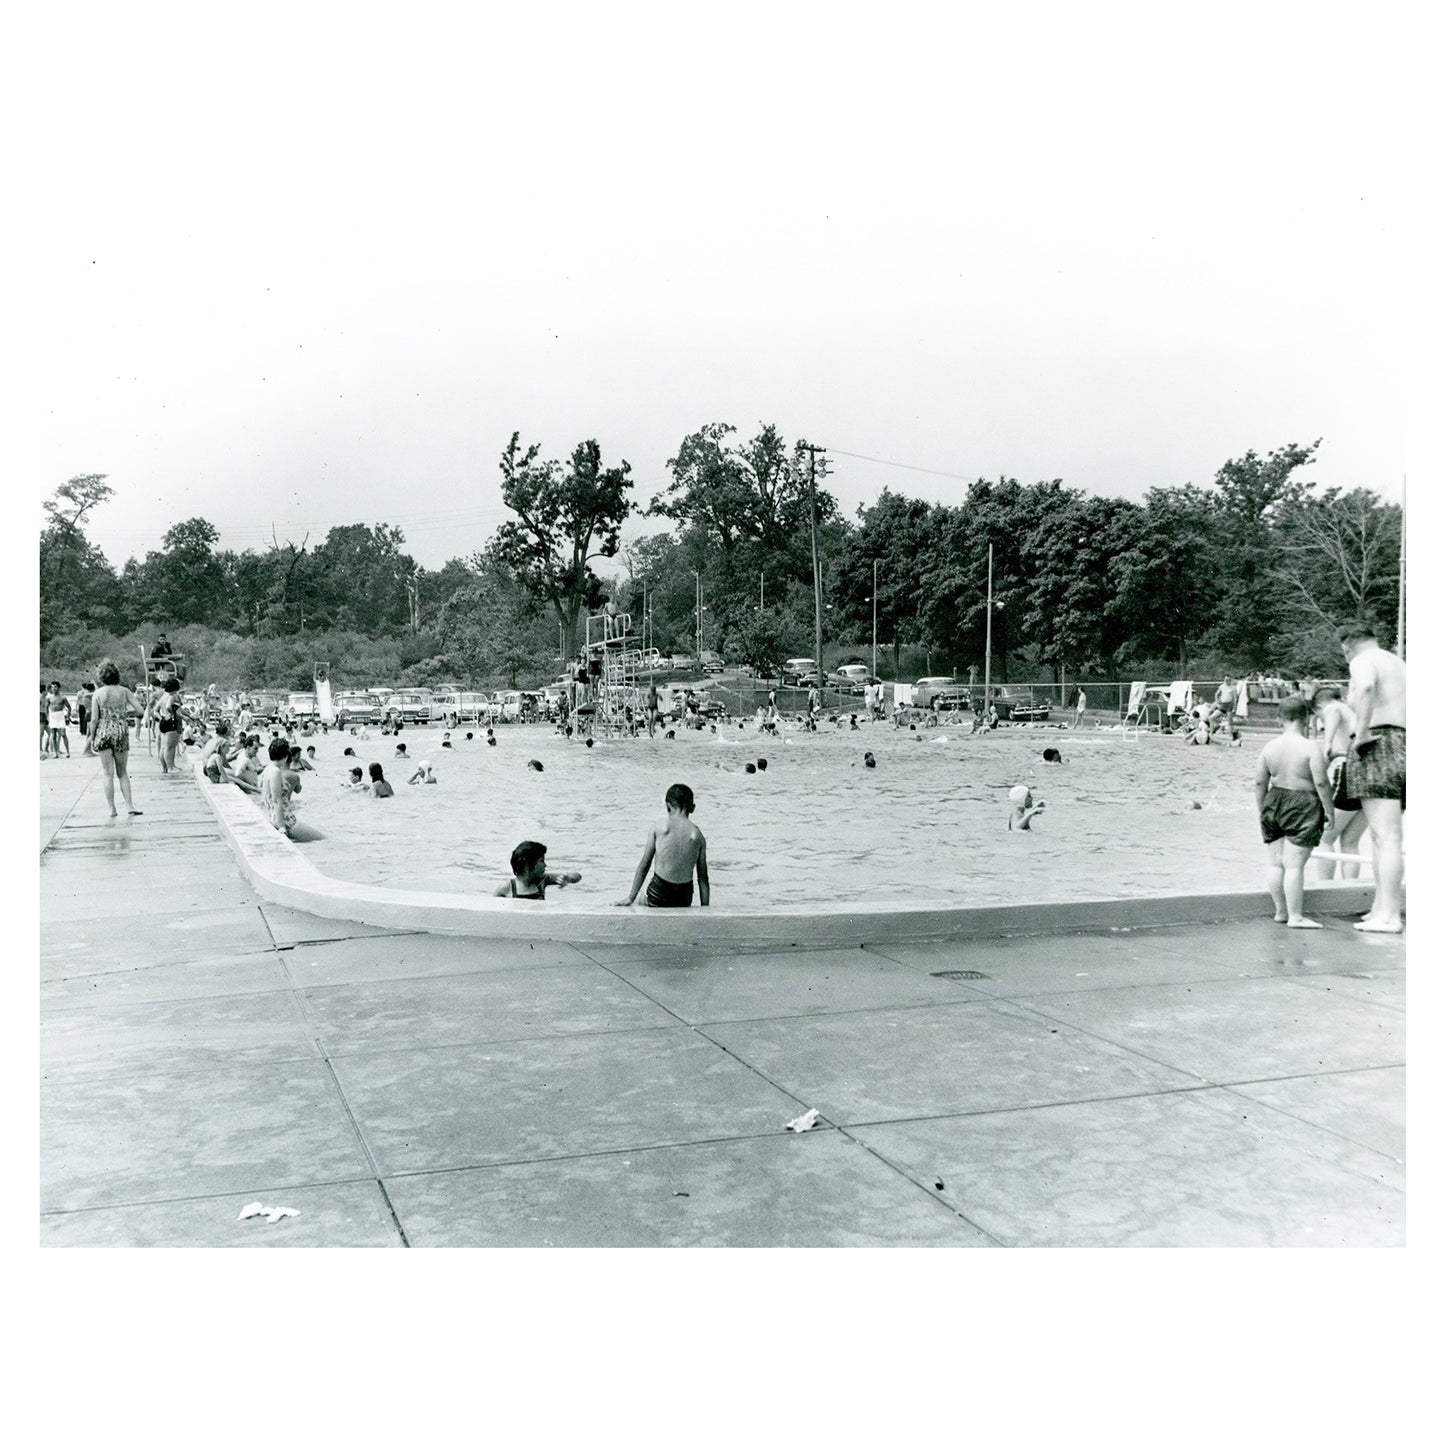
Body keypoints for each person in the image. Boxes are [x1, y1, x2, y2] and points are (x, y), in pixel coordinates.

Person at [1340, 622, 1406, 932]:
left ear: (1347, 646)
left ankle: (1390, 916)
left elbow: (1365, 687)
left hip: (1379, 743)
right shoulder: (1399, 664)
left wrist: (1362, 731)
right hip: (1405, 744)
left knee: (1387, 837)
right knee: (1383, 837)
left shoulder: (1362, 660)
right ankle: (1380, 908)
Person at [1255, 694, 1335, 928]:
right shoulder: (1310, 747)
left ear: (1279, 719)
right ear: (1307, 718)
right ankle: (1296, 916)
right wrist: (1329, 810)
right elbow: (1321, 783)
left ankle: (1281, 912)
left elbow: (1259, 783)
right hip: (1303, 804)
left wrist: (1262, 810)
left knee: (1275, 863)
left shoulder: (1269, 747)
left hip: (1274, 800)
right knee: (1294, 865)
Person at [616, 782, 710, 907]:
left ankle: (640, 900)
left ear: (667, 806)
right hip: (684, 897)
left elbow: (645, 864)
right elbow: (703, 878)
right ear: (692, 808)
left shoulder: (659, 827)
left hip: (659, 893)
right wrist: (705, 907)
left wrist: (630, 898)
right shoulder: (697, 835)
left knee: (641, 899)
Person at [1311, 684, 1369, 880]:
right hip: (1367, 774)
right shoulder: (1353, 712)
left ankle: (1325, 887)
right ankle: (1350, 887)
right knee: (1350, 841)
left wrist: (1327, 743)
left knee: (1324, 837)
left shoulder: (1332, 708)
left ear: (1319, 706)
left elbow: (1332, 711)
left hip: (1346, 771)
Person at [89, 660, 144, 817]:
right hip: (120, 731)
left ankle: (112, 809)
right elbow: (140, 711)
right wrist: (124, 714)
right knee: (123, 772)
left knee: (108, 773)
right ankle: (130, 805)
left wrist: (92, 738)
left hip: (103, 732)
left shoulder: (98, 694)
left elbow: (94, 719)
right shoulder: (124, 691)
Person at [260, 737, 323, 842]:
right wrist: (281, 826)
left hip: (275, 816)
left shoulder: (267, 769)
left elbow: (264, 794)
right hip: (287, 820)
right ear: (285, 755)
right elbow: (276, 800)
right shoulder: (276, 772)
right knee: (321, 839)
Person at [494, 840, 581, 900]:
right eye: (541, 861)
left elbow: (577, 876)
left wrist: (567, 878)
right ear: (529, 863)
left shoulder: (543, 880)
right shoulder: (507, 887)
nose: (545, 865)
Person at [154, 676, 185, 773]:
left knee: (164, 746)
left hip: (163, 721)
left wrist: (161, 718)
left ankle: (165, 767)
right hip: (171, 722)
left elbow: (155, 710)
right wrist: (171, 713)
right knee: (170, 747)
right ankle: (170, 767)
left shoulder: (164, 696)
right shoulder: (171, 697)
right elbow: (168, 706)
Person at [46, 682, 71, 757]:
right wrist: (47, 717)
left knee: (63, 734)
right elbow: (46, 707)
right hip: (53, 715)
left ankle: (68, 752)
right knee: (53, 735)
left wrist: (68, 716)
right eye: (52, 687)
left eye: (55, 687)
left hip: (60, 715)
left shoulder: (63, 697)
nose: (54, 689)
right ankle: (56, 753)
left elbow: (69, 707)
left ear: (59, 688)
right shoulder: (49, 698)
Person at [77, 681, 96, 756]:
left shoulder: (84, 694)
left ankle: (88, 749)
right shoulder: (87, 695)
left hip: (88, 713)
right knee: (93, 733)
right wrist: (95, 683)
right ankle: (86, 750)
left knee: (89, 733)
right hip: (91, 713)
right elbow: (98, 691)